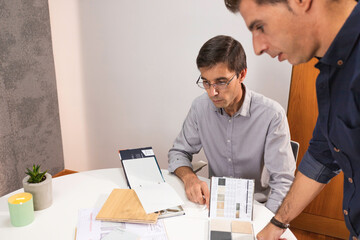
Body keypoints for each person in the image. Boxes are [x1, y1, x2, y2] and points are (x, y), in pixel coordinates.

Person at [223, 0, 360, 239]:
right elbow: (322, 156)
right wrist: (277, 224)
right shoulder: (331, 73)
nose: (256, 48)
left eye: (260, 26)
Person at [168, 35, 296, 214]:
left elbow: (283, 182)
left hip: (257, 207)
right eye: (206, 82)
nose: (212, 92)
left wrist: (266, 224)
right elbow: (179, 152)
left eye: (221, 82)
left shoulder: (272, 115)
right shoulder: (200, 107)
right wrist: (190, 178)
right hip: (213, 204)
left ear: (241, 74)